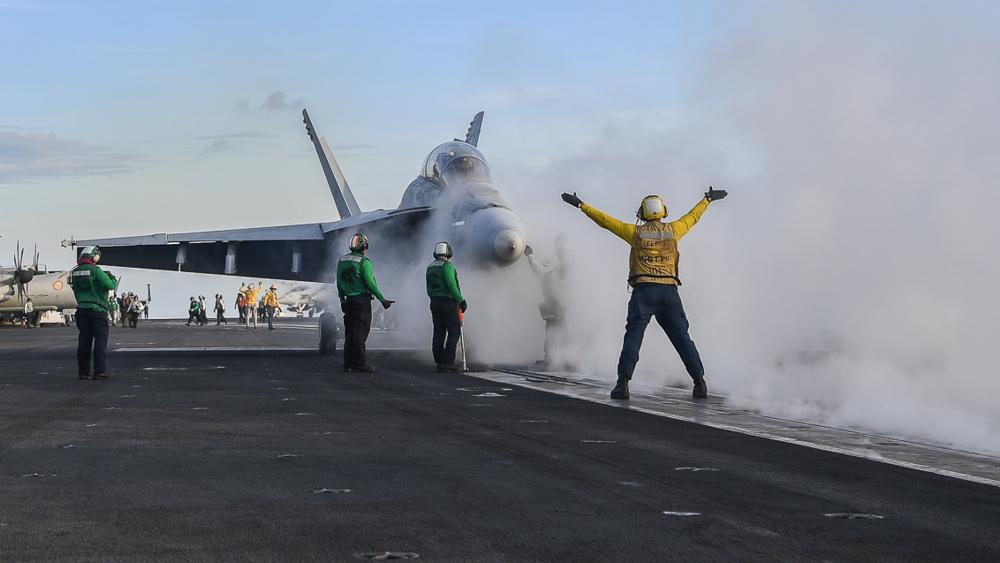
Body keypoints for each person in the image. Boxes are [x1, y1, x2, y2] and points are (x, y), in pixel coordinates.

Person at [560, 187, 728, 400]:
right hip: (669, 293)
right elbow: (692, 217)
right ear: (663, 211)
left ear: (642, 212)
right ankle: (700, 383)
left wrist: (581, 205)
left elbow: (605, 221)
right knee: (682, 338)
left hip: (644, 293)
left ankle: (623, 384)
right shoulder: (674, 230)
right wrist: (707, 199)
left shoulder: (635, 233)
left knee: (633, 337)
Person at [337, 233, 394, 372]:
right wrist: (382, 300)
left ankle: (348, 363)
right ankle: (359, 364)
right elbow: (370, 283)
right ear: (364, 245)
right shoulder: (364, 262)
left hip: (348, 300)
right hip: (361, 301)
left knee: (350, 333)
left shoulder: (342, 260)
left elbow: (339, 282)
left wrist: (342, 299)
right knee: (360, 332)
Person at [68, 245, 118, 380]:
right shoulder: (96, 270)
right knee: (100, 341)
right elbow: (111, 286)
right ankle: (99, 371)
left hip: (81, 310)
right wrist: (113, 278)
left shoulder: (75, 272)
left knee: (84, 341)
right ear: (94, 256)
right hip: (97, 310)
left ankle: (83, 372)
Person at [525, 233, 572, 367]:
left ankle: (554, 357)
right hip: (562, 299)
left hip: (555, 299)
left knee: (553, 327)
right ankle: (563, 357)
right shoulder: (569, 260)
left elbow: (539, 270)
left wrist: (530, 256)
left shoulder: (557, 259)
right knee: (560, 326)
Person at [425, 241, 467, 372]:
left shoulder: (430, 266)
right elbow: (451, 285)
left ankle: (439, 361)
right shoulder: (447, 266)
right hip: (448, 303)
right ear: (448, 253)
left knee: (438, 332)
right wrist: (461, 300)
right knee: (454, 332)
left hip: (434, 302)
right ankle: (448, 362)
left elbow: (428, 287)